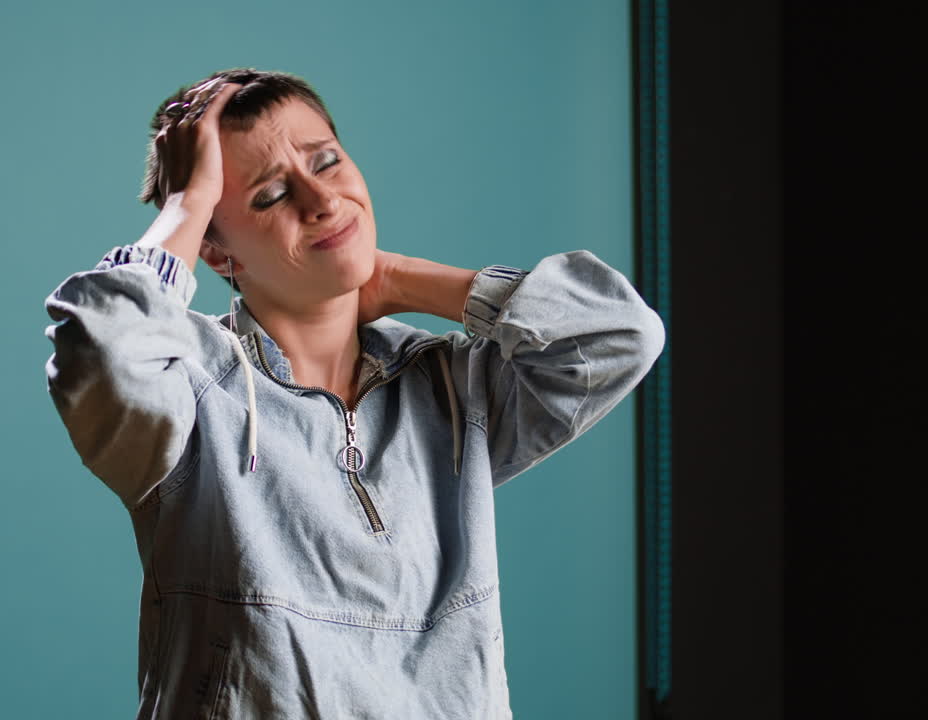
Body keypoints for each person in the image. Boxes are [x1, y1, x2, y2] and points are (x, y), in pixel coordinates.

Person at [42, 67, 665, 719]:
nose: (321, 201)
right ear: (220, 256)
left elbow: (620, 333)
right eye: (269, 196)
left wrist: (399, 277)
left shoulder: (452, 388)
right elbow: (102, 346)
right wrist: (185, 207)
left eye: (327, 162)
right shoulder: (192, 391)